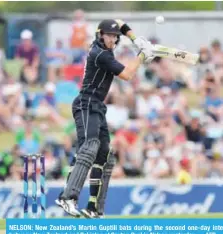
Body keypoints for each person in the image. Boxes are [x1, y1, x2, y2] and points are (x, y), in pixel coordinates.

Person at [55, 19, 153, 218]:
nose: (114, 39)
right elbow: (127, 74)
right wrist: (142, 55)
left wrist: (134, 38)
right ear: (100, 35)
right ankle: (68, 197)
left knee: (106, 157)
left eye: (116, 36)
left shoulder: (105, 50)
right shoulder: (99, 54)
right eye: (110, 36)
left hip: (97, 106)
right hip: (86, 103)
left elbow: (119, 22)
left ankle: (94, 208)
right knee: (90, 147)